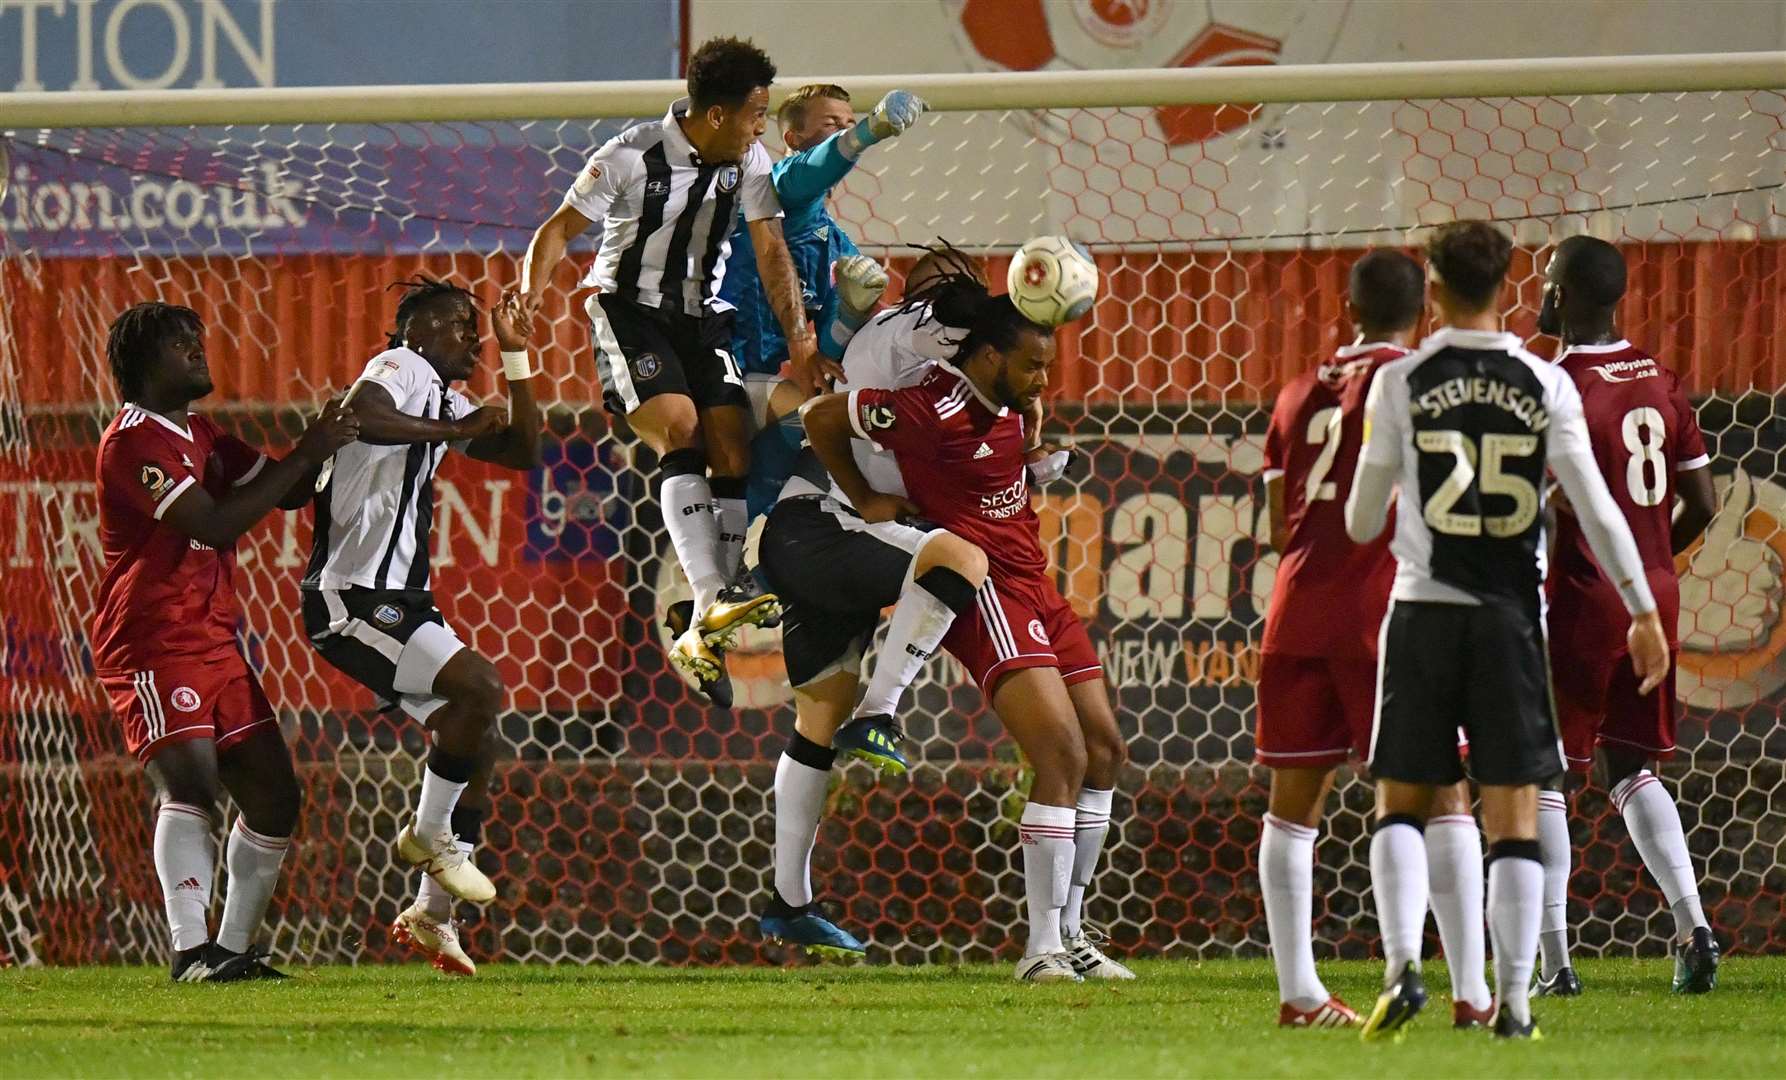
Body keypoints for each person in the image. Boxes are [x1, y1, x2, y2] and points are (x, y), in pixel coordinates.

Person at [1345, 220, 1668, 1040]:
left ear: (1435, 287)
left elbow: (1355, 522)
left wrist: (1397, 498)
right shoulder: (1544, 383)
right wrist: (1640, 610)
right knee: (1515, 812)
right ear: (1508, 284)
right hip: (1511, 622)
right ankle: (1516, 1004)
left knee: (1400, 805)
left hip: (1420, 615)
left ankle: (1399, 970)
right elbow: (1596, 508)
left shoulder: (1401, 382)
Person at [802, 283, 1131, 983]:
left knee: (1105, 750)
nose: (1044, 380)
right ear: (986, 357)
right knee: (1061, 753)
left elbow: (1002, 455)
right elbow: (822, 415)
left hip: (1037, 581)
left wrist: (1034, 455)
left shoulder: (1011, 407)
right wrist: (865, 500)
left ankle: (1073, 933)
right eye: (1033, 367)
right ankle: (1041, 948)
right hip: (988, 597)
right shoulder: (928, 409)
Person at [519, 37, 813, 690]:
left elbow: (770, 251)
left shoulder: (751, 160)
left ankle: (708, 608)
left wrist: (802, 342)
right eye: (755, 113)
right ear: (716, 116)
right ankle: (711, 593)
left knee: (732, 446)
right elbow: (558, 231)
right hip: (628, 311)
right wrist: (530, 296)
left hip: (700, 318)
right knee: (681, 428)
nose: (761, 127)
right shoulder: (629, 157)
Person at [1257, 249, 1493, 1028]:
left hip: (1297, 606)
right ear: (1424, 308)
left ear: (1348, 309)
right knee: (1445, 797)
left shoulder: (1295, 393)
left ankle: (1299, 994)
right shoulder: (1427, 384)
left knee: (1293, 806)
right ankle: (1472, 994)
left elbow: (1274, 523)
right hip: (1390, 610)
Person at [93, 301, 358, 981]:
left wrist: (340, 438)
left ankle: (233, 953)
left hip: (214, 640)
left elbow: (285, 489)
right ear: (144, 364)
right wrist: (308, 449)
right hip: (151, 640)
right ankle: (190, 951)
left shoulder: (202, 433)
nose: (197, 350)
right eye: (182, 344)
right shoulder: (132, 443)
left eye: (196, 339)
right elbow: (213, 525)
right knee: (192, 785)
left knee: (274, 797)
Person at [751, 247, 993, 956]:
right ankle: (882, 715)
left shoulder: (936, 365)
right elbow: (944, 318)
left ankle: (788, 903)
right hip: (820, 526)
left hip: (812, 534)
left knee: (818, 712)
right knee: (957, 559)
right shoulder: (909, 329)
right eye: (957, 296)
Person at [300, 279, 541, 977]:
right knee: (480, 686)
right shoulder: (402, 368)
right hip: (349, 597)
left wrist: (520, 359)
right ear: (420, 331)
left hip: (402, 599)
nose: (475, 336)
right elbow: (365, 414)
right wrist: (454, 432)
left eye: (478, 327)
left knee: (477, 732)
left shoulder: (442, 397)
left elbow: (523, 450)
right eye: (460, 324)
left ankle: (432, 916)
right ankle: (431, 836)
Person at [1533, 235, 1720, 996]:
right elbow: (1702, 502)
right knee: (1628, 766)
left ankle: (1554, 965)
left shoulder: (1553, 384)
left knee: (1542, 776)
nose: (1539, 296)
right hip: (1653, 597)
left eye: (1547, 283)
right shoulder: (1660, 378)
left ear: (1570, 296)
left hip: (1582, 597)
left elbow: (1543, 515)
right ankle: (1694, 924)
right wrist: (1649, 565)